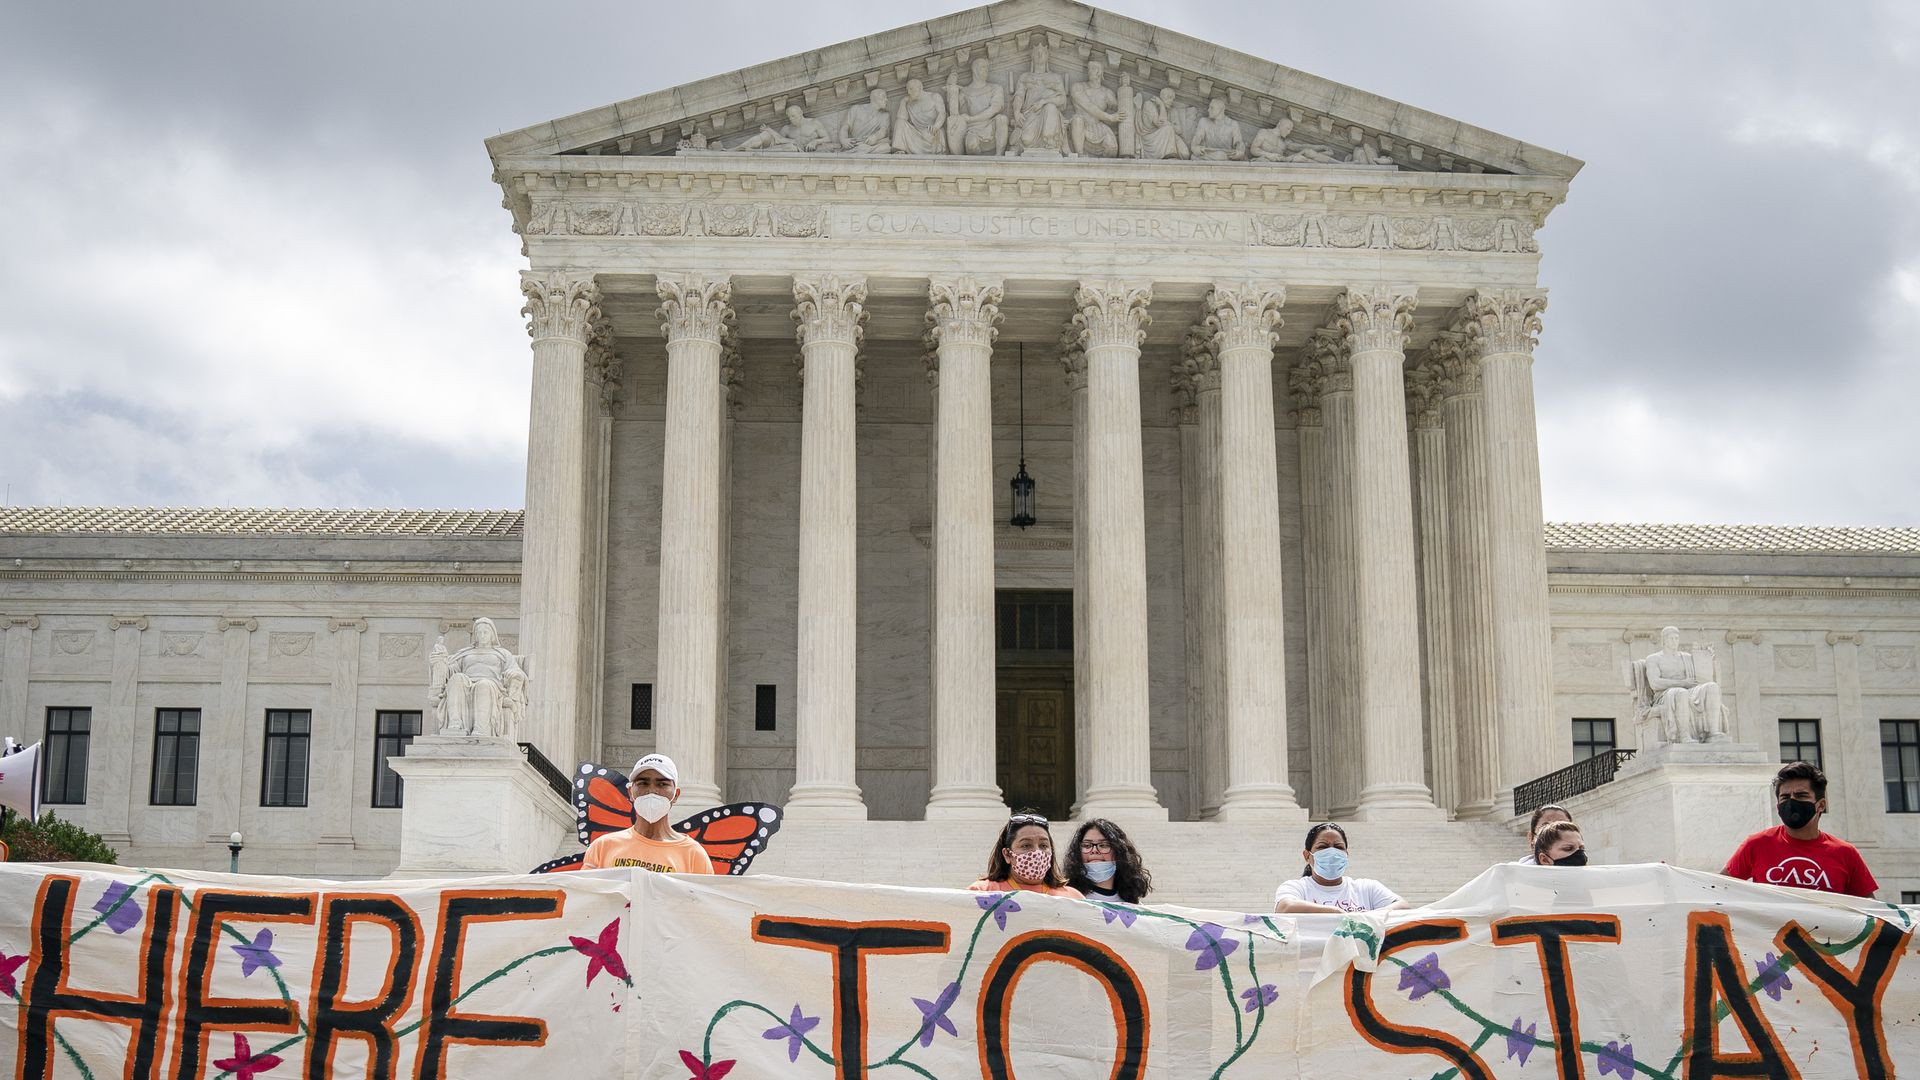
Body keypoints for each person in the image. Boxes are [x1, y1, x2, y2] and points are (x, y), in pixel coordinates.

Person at [1723, 761, 1877, 897]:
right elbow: (1718, 889)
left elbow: (1871, 913)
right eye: (1785, 797)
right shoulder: (1757, 844)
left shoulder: (1845, 853)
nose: (1792, 802)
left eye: (1801, 795)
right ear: (1778, 806)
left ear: (1820, 805)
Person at [581, 753, 715, 874]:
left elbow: (703, 900)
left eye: (662, 784)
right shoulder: (603, 847)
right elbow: (585, 896)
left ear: (676, 795)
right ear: (630, 793)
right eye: (643, 783)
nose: (652, 791)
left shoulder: (693, 854)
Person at [1273, 822, 1409, 914]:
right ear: (1307, 856)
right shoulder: (1297, 888)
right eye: (1323, 847)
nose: (1332, 852)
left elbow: (1403, 907)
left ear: (1346, 854)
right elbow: (1285, 908)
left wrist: (1370, 917)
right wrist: (1336, 913)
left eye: (1338, 847)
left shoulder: (1366, 888)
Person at [968, 811, 1083, 897]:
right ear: (1007, 855)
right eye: (1026, 845)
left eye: (1043, 846)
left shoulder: (1073, 898)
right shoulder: (981, 892)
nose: (1037, 852)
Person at [1064, 818, 1152, 903]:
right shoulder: (1067, 899)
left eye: (1103, 845)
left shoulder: (1132, 904)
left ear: (1119, 851)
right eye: (1087, 845)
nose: (1094, 850)